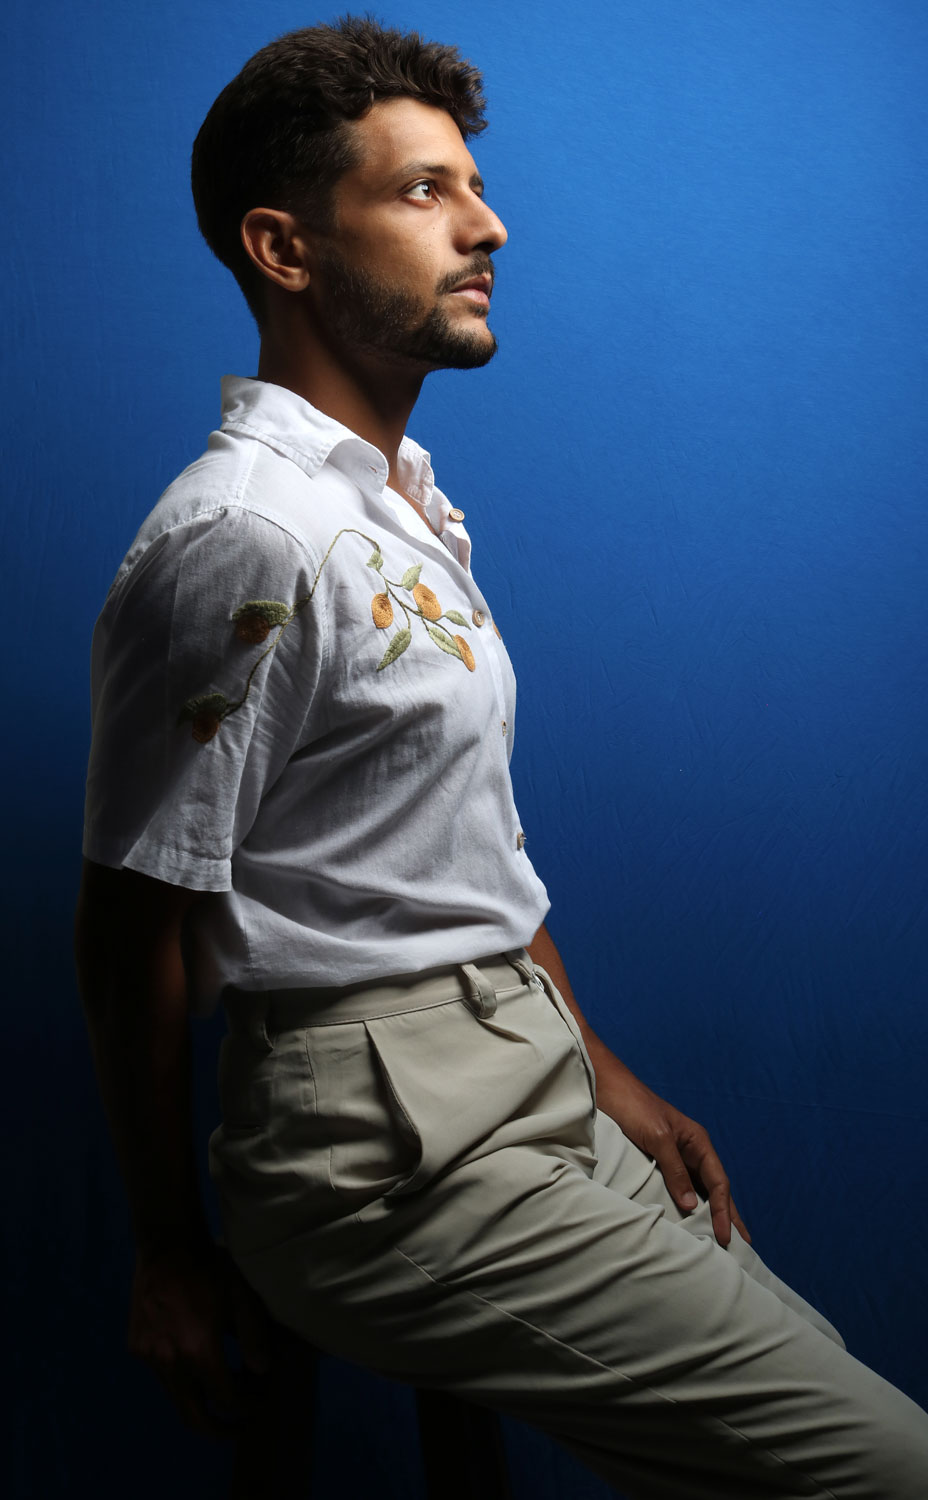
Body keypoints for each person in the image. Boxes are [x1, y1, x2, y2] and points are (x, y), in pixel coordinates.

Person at [75, 16, 928, 1497]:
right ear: (283, 249)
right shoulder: (247, 538)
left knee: (830, 1405)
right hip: (383, 1156)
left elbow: (447, 843)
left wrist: (595, 1068)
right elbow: (130, 926)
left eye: (472, 184)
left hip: (527, 1073)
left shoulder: (398, 502)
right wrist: (167, 1252)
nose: (488, 226)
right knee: (882, 1469)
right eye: (423, 191)